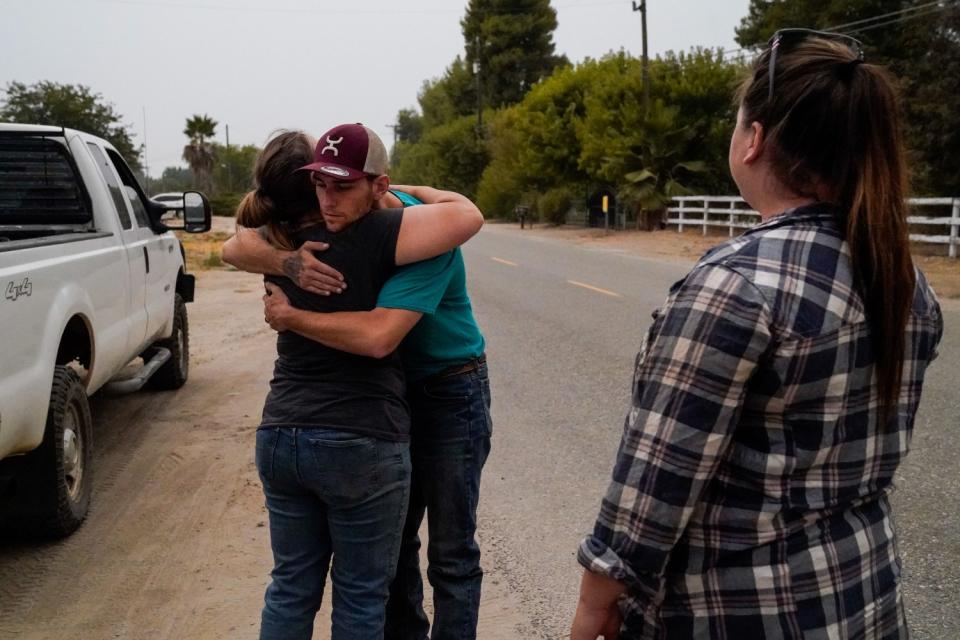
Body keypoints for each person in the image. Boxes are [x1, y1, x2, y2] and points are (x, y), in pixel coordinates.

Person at [571, 30, 943, 640]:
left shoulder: (734, 286)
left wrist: (595, 601)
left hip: (741, 610)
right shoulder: (902, 277)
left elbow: (657, 481)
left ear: (754, 140)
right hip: (861, 594)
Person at [224, 124, 483, 640]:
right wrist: (287, 264)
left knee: (448, 554)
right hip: (377, 415)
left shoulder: (412, 231)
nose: (330, 198)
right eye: (321, 183)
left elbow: (381, 335)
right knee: (386, 567)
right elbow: (238, 245)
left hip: (448, 389)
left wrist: (291, 311)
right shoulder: (306, 239)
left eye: (343, 185)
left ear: (378, 186)